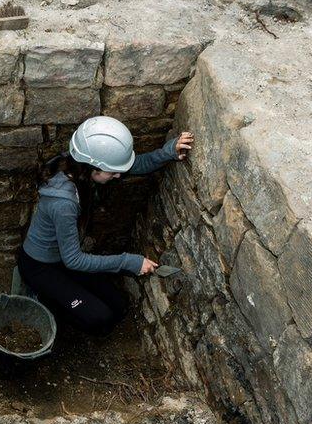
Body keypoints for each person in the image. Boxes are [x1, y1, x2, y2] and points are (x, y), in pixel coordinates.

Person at [18, 116, 194, 335]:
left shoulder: (80, 164)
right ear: (94, 168)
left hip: (63, 257)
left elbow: (135, 165)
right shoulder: (63, 204)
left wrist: (168, 152)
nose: (119, 176)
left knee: (118, 306)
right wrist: (128, 261)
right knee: (101, 319)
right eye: (113, 172)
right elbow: (74, 260)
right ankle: (47, 300)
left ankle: (65, 296)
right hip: (40, 265)